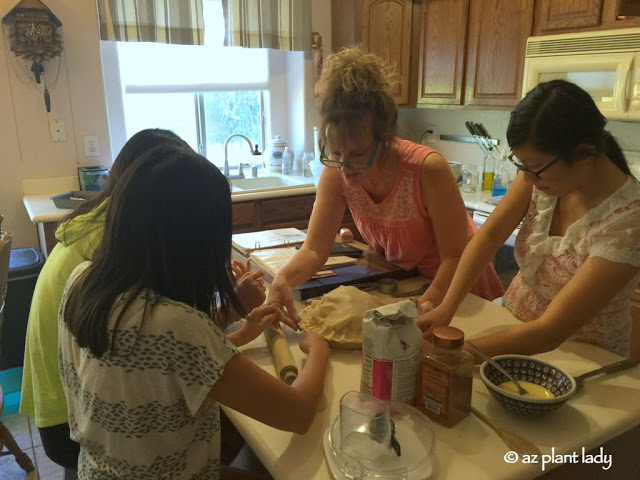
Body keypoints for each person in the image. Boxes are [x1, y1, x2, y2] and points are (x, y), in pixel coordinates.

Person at [58, 144, 329, 479]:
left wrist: (235, 321)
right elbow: (298, 413)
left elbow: (146, 355)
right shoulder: (176, 328)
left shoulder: (82, 280)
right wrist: (319, 349)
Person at [19, 129, 266, 472]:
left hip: (72, 411)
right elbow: (166, 337)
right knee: (240, 432)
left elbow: (150, 347)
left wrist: (232, 327)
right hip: (74, 425)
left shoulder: (109, 232)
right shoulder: (109, 244)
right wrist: (235, 306)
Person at [267, 46, 503, 326]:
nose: (344, 166)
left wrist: (430, 302)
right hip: (411, 283)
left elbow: (455, 256)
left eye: (357, 154)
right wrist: (282, 279)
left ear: (385, 137)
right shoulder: (336, 172)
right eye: (336, 153)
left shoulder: (427, 170)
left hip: (459, 291)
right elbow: (315, 250)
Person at [418, 79, 640, 360]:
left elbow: (549, 332)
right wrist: (446, 309)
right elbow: (488, 238)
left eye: (535, 168)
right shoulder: (542, 177)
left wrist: (457, 354)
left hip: (583, 360)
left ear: (584, 153)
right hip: (511, 330)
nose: (528, 178)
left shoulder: (628, 221)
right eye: (522, 165)